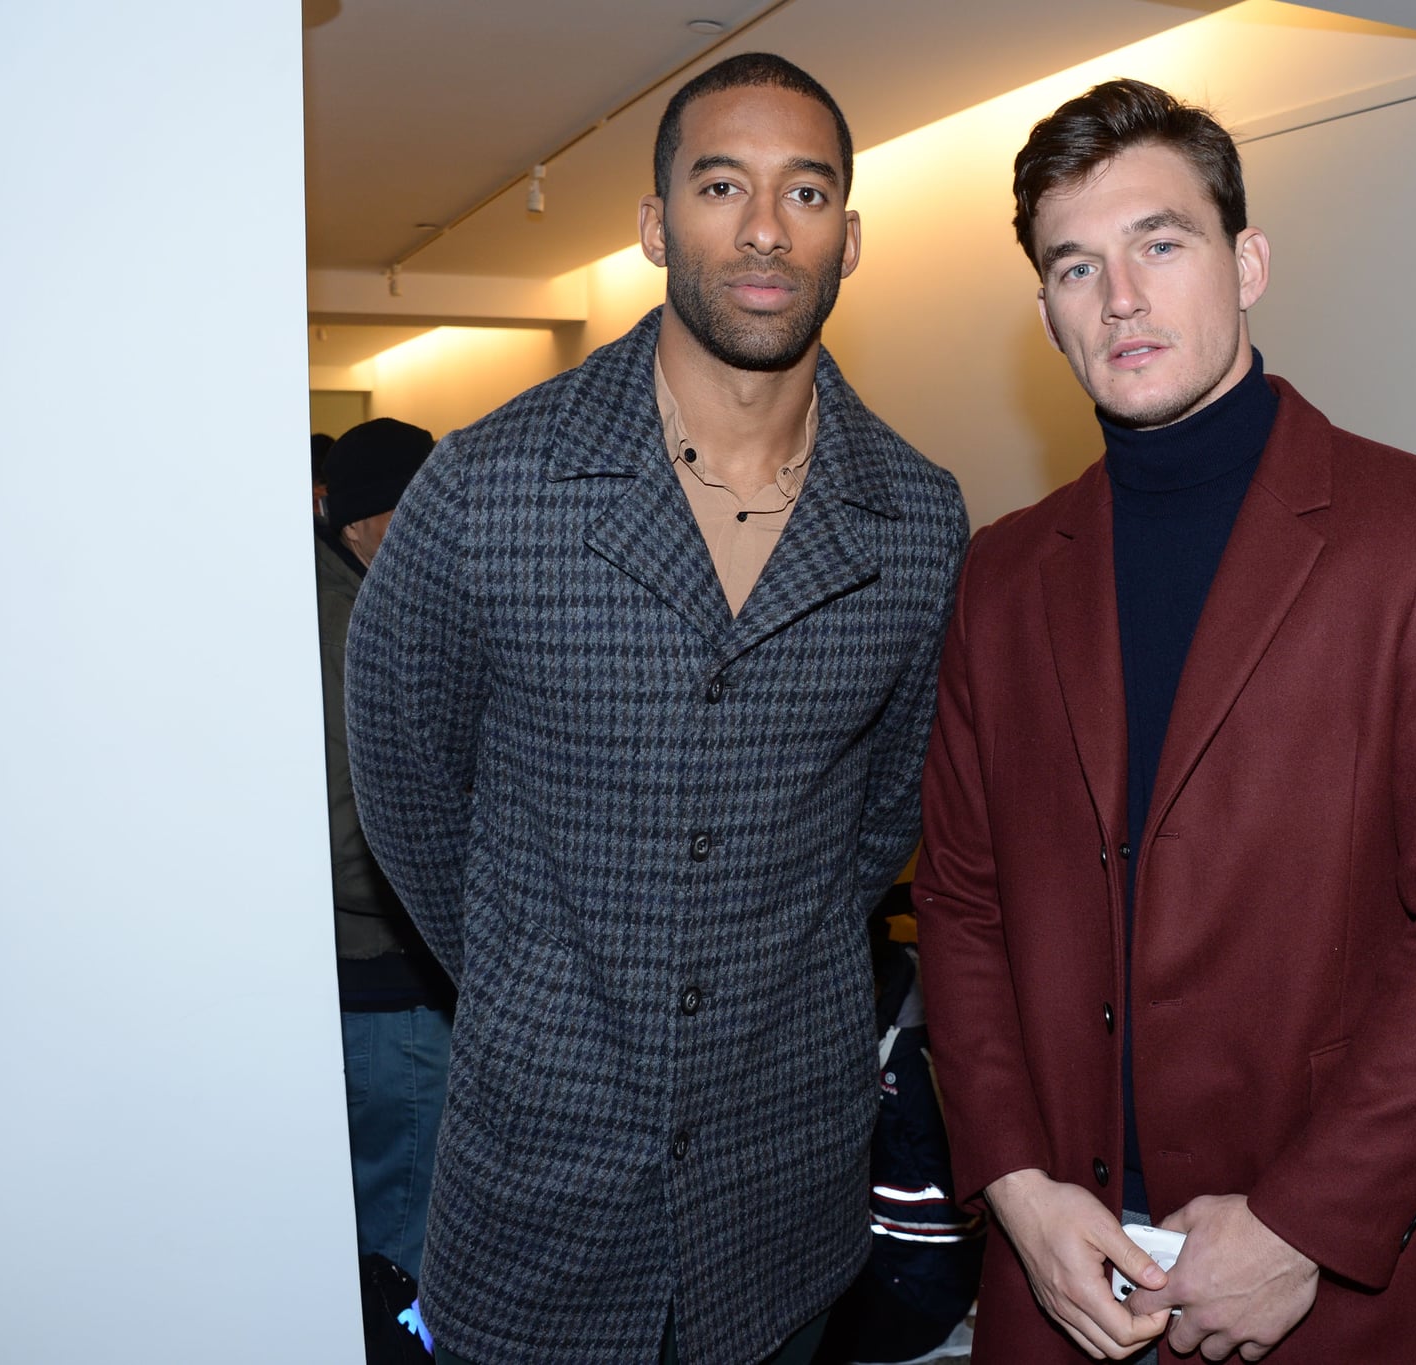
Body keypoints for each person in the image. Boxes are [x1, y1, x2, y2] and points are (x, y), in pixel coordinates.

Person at [914, 78, 1416, 1364]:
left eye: (1160, 243)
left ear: (1246, 260)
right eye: (1073, 267)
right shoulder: (1001, 572)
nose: (1119, 298)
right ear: (1043, 308)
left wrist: (1300, 1227)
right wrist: (1013, 1188)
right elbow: (962, 901)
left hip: (1328, 1273)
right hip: (1065, 1265)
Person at [344, 52, 970, 1365]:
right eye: (720, 185)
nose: (762, 226)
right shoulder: (491, 486)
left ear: (848, 239)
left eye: (805, 192)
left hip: (784, 1179)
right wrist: (537, 984)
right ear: (652, 226)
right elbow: (403, 781)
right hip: (537, 1174)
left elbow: (884, 813)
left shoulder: (915, 515)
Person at [315, 416, 454, 1285]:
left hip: (386, 981)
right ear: (362, 519)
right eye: (412, 511)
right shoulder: (343, 628)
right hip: (385, 986)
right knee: (400, 1238)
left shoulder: (365, 599)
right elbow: (341, 832)